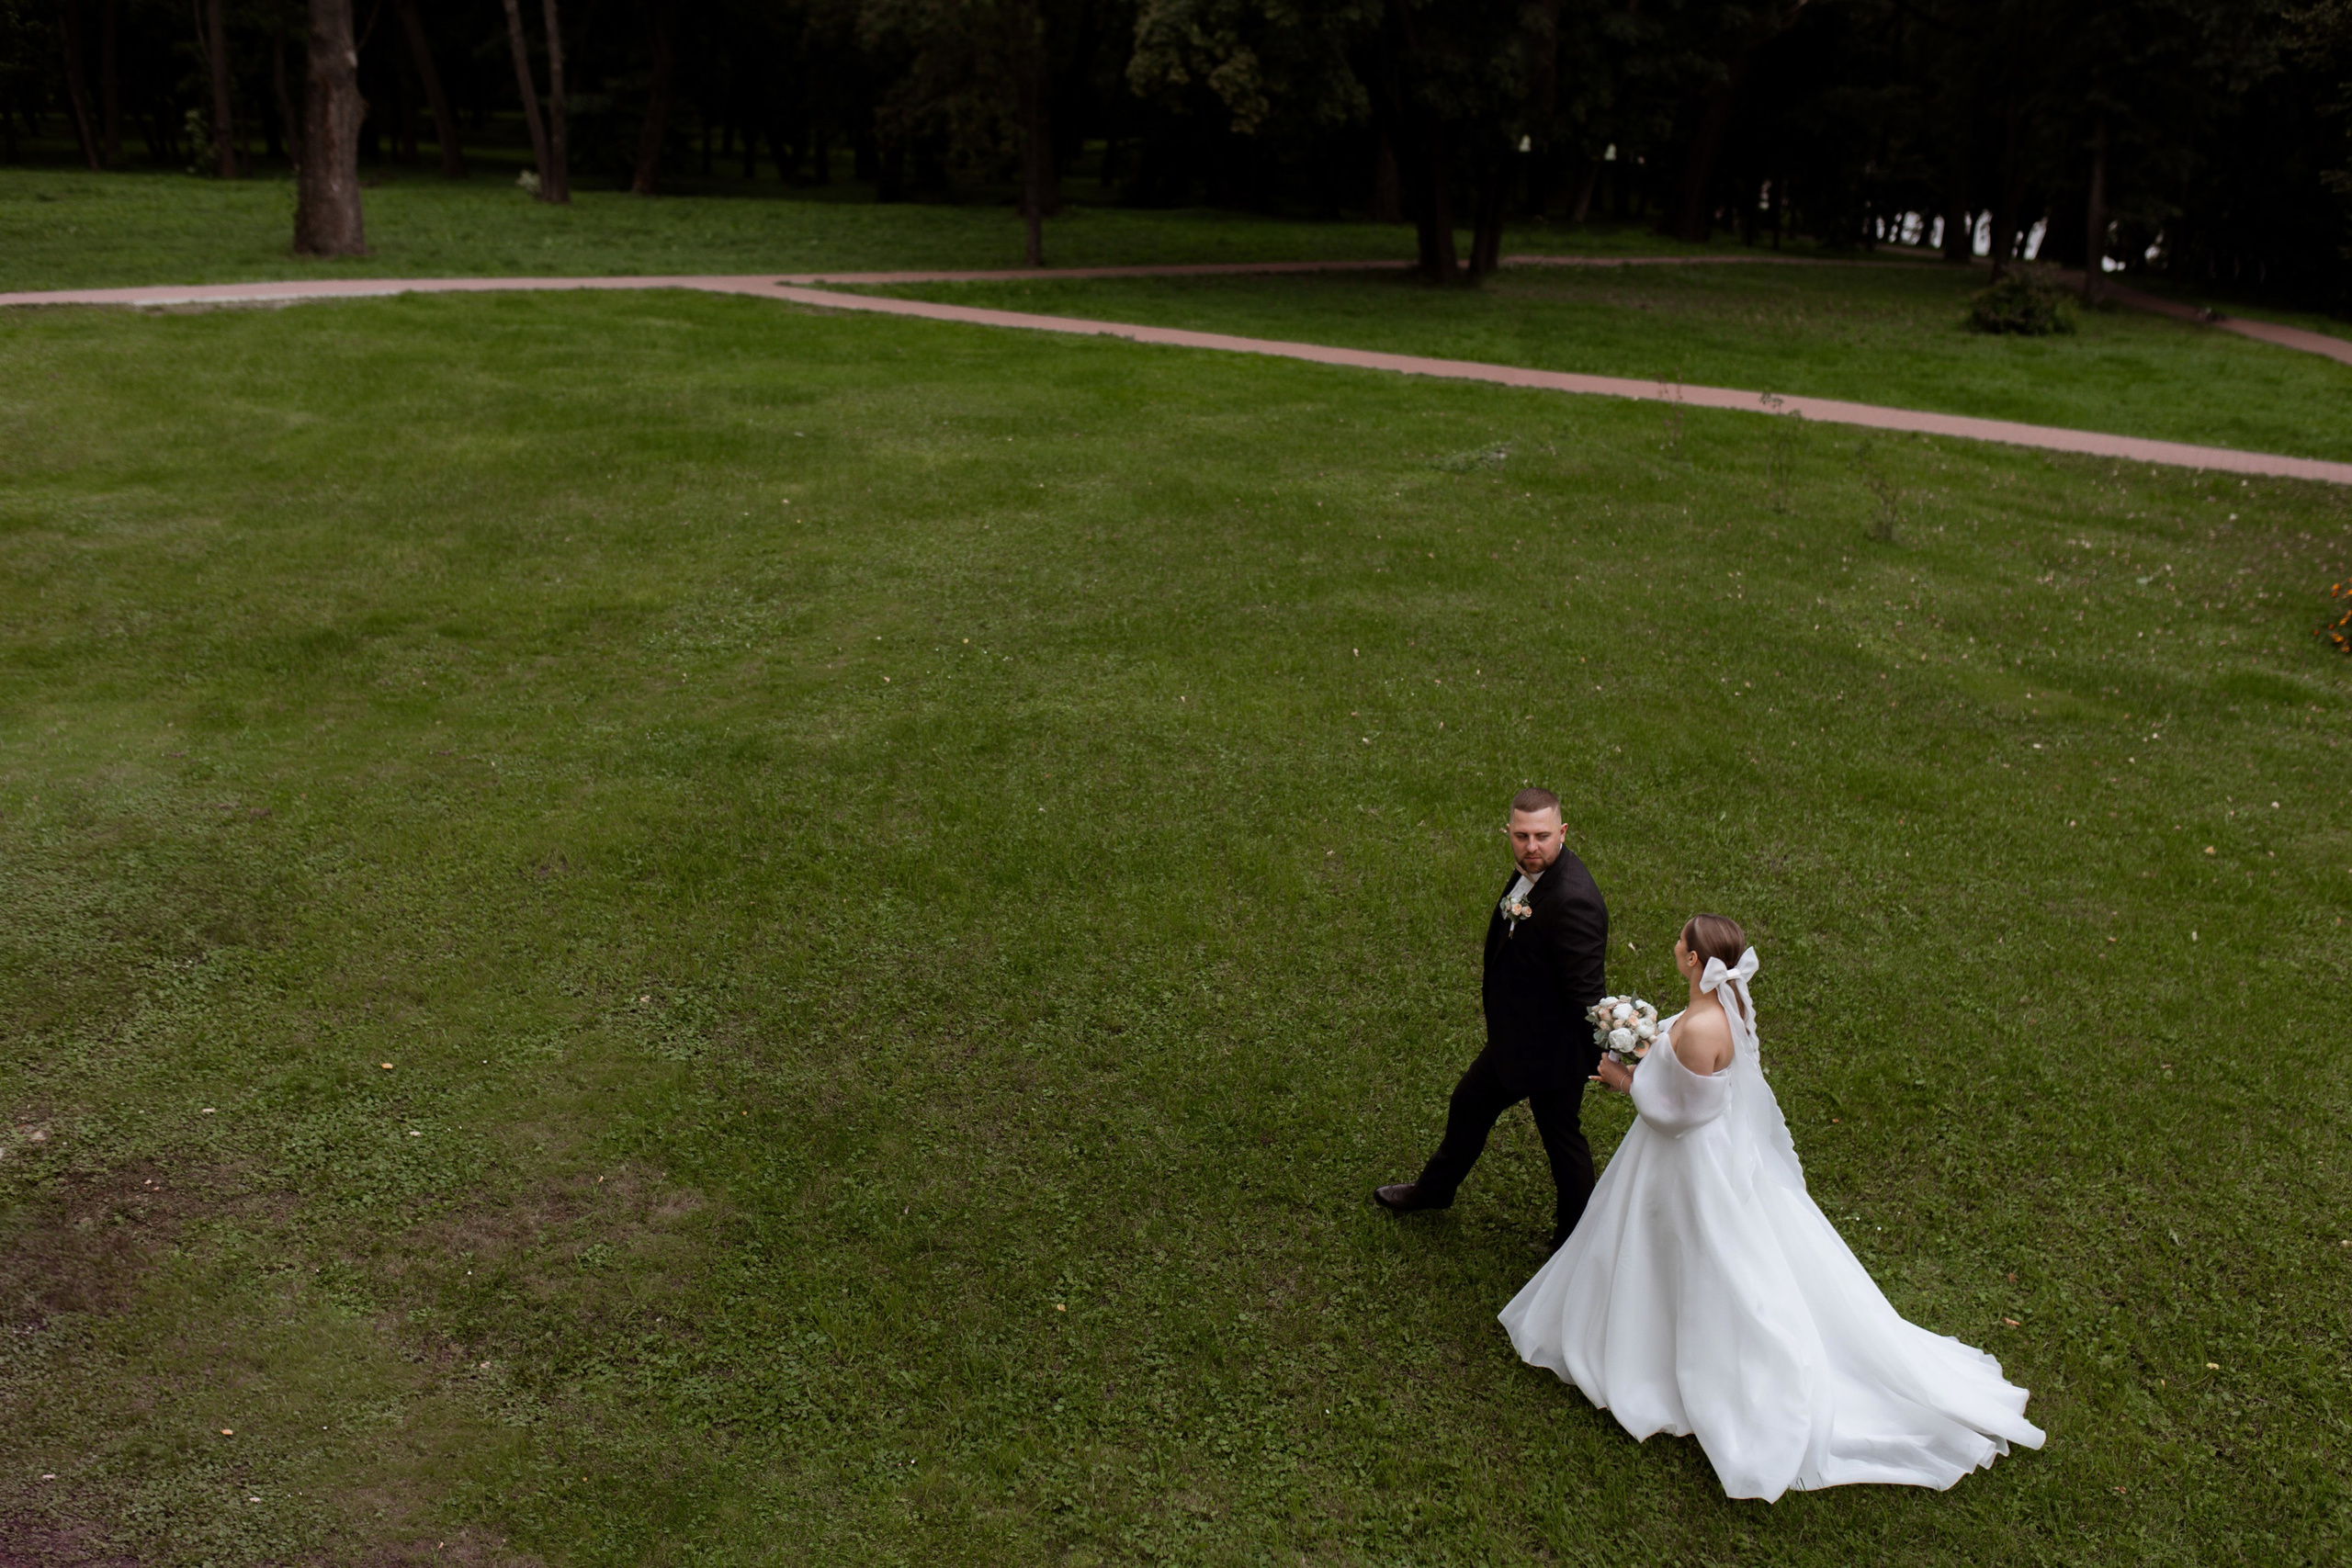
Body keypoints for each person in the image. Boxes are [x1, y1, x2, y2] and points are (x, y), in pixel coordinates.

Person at [1499, 914, 2046, 1501]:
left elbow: (1677, 1115)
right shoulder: (1719, 1010)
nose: (1675, 946)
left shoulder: (1705, 1027)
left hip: (1684, 1165)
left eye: (1681, 942)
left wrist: (1625, 1081)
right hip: (1695, 1152)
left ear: (1692, 960)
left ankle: (1660, 1357)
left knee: (1685, 1252)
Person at [1374, 786, 1609, 1249]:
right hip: (1517, 1039)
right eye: (1521, 835)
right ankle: (1436, 1192)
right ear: (1509, 832)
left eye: (1542, 835)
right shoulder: (1534, 872)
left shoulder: (1574, 900)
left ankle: (1575, 1243)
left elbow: (1587, 995)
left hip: (1550, 1053)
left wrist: (1596, 1060)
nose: (1531, 846)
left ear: (1562, 832)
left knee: (1562, 1142)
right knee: (1471, 1107)